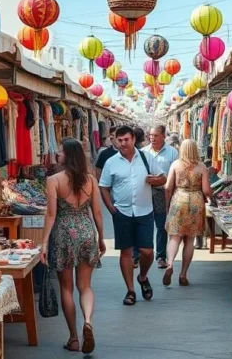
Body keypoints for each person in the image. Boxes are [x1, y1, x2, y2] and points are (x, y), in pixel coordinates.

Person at [40, 138, 105, 354]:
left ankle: (74, 338)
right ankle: (88, 321)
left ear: (67, 155)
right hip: (86, 232)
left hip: (63, 234)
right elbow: (96, 212)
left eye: (59, 151)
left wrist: (44, 244)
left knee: (66, 288)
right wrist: (101, 238)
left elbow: (51, 215)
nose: (57, 154)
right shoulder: (91, 179)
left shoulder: (54, 180)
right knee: (85, 287)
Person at [99, 126, 163, 305]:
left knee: (147, 251)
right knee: (126, 251)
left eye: (126, 140)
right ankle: (130, 291)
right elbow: (103, 186)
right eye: (119, 140)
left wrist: (155, 180)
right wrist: (112, 209)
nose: (123, 143)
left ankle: (142, 277)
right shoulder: (111, 162)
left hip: (145, 211)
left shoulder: (146, 157)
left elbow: (163, 178)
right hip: (122, 212)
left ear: (133, 139)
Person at [163, 139, 211, 286]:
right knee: (189, 239)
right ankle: (183, 274)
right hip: (196, 201)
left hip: (179, 199)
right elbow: (206, 190)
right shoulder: (201, 167)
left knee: (174, 237)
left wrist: (167, 205)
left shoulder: (176, 165)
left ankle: (170, 264)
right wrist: (212, 194)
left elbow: (167, 187)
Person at [142, 125, 178, 268]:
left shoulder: (172, 152)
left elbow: (176, 173)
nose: (152, 138)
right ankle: (139, 254)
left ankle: (161, 256)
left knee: (162, 225)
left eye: (156, 135)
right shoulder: (143, 152)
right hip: (145, 191)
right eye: (151, 135)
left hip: (164, 192)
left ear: (164, 136)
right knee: (143, 222)